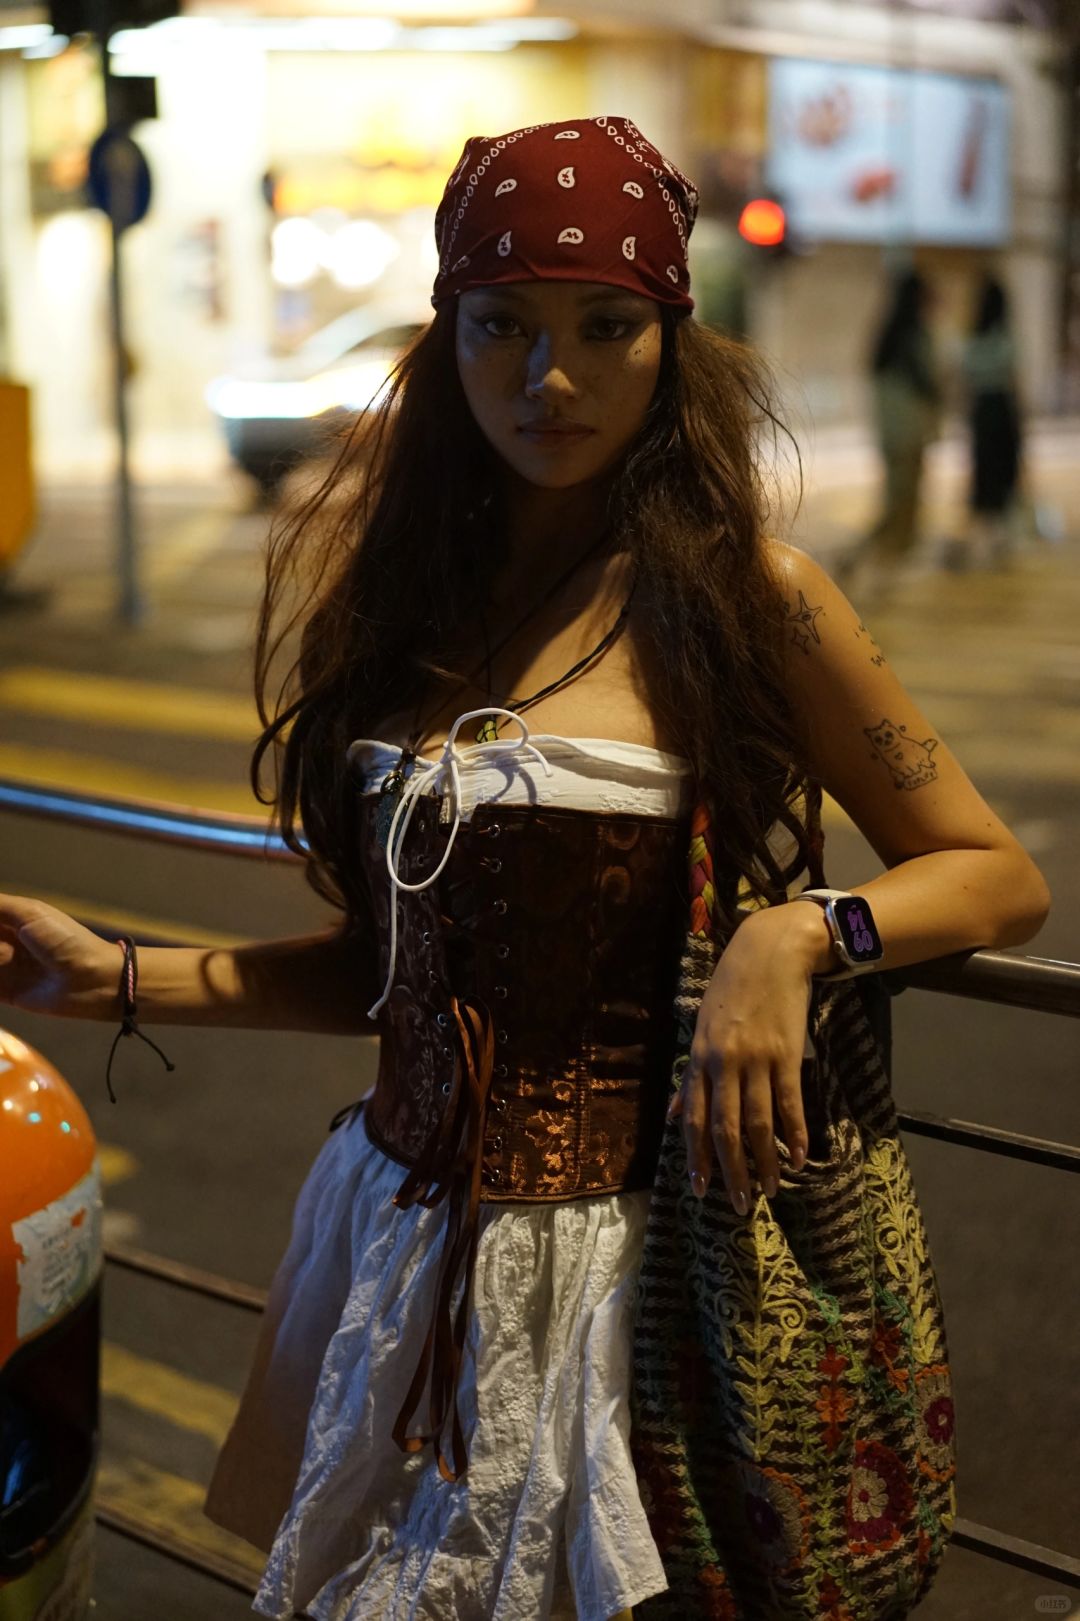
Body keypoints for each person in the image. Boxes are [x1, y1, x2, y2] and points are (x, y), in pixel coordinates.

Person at [0, 118, 1050, 1620]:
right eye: (501, 328)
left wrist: (797, 938)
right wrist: (111, 975)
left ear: (669, 340)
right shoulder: (410, 588)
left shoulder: (749, 591)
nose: (549, 380)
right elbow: (394, 977)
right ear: (450, 338)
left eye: (603, 328)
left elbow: (994, 873)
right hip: (393, 1241)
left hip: (626, 1285)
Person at [838, 268, 943, 594]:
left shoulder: (886, 337)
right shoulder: (915, 338)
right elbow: (931, 384)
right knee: (902, 504)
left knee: (896, 502)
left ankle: (872, 559)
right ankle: (875, 562)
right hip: (910, 432)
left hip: (890, 432)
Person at [956, 271, 1023, 568]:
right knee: (1003, 473)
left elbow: (963, 383)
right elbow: (1013, 380)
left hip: (981, 412)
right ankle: (999, 542)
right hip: (1001, 408)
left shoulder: (971, 342)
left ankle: (982, 540)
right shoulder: (1005, 339)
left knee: (983, 473)